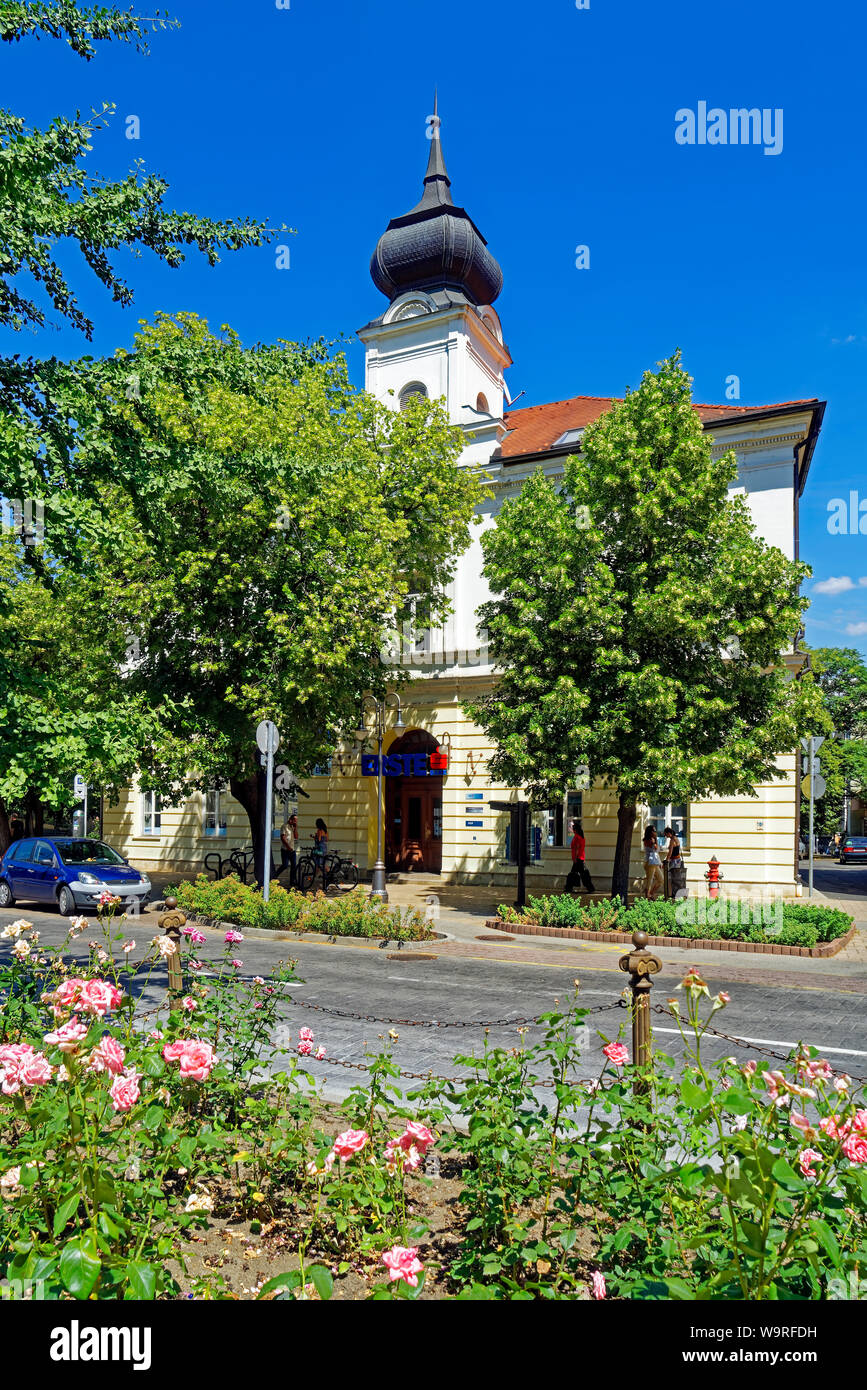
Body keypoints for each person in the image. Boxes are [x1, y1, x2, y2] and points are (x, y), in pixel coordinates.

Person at [564, 819, 595, 893]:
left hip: (578, 859)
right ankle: (589, 888)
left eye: (573, 829)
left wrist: (575, 858)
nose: (572, 830)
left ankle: (569, 888)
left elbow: (577, 848)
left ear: (575, 830)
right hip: (580, 858)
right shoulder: (581, 837)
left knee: (575, 874)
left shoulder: (577, 837)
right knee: (582, 874)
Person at [664, 825, 687, 899]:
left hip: (674, 861)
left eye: (665, 834)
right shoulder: (676, 839)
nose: (665, 836)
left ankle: (676, 894)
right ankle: (679, 893)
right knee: (678, 877)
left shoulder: (672, 840)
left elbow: (670, 852)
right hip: (678, 860)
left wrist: (667, 860)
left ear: (669, 833)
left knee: (674, 878)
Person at [642, 825, 664, 900]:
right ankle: (647, 896)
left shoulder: (653, 839)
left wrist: (660, 862)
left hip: (654, 862)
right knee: (650, 880)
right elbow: (655, 849)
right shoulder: (649, 840)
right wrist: (656, 842)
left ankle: (650, 894)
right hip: (650, 862)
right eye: (654, 831)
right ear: (650, 832)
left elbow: (656, 852)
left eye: (655, 830)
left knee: (661, 879)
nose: (655, 832)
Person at [280, 812, 298, 884]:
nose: (295, 822)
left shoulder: (293, 827)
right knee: (285, 865)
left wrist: (295, 828)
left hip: (292, 850)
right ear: (291, 820)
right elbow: (282, 838)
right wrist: (288, 847)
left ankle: (292, 881)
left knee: (294, 866)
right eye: (295, 821)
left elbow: (296, 837)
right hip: (285, 850)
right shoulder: (284, 826)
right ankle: (274, 876)